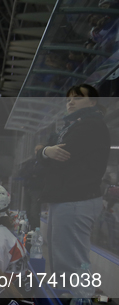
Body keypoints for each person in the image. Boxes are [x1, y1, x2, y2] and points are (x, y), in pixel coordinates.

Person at [37, 84, 111, 291]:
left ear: (93, 102)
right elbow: (50, 154)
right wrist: (45, 151)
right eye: (68, 98)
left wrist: (43, 152)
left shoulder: (90, 125)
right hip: (69, 200)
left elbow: (58, 157)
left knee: (72, 265)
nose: (70, 101)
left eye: (77, 98)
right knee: (63, 263)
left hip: (76, 201)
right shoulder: (74, 126)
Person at [20, 145, 46, 230]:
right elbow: (22, 172)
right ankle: (28, 229)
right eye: (35, 150)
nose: (36, 151)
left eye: (38, 150)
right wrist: (32, 175)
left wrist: (31, 174)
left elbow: (40, 173)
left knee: (34, 212)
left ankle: (35, 230)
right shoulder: (31, 162)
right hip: (28, 188)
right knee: (27, 211)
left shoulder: (45, 163)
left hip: (37, 190)